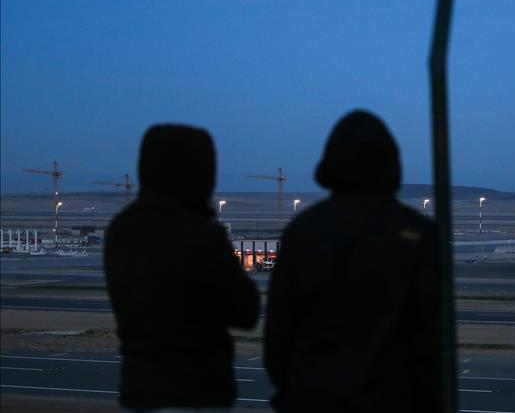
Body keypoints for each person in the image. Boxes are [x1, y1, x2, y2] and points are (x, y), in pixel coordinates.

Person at [265, 110, 441, 412]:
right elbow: (432, 339)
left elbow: (278, 336)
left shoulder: (304, 230)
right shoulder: (418, 233)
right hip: (395, 399)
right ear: (392, 164)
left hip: (314, 396)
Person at [104, 124, 260, 411]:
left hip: (140, 388)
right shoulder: (198, 233)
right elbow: (246, 310)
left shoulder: (121, 229)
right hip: (197, 389)